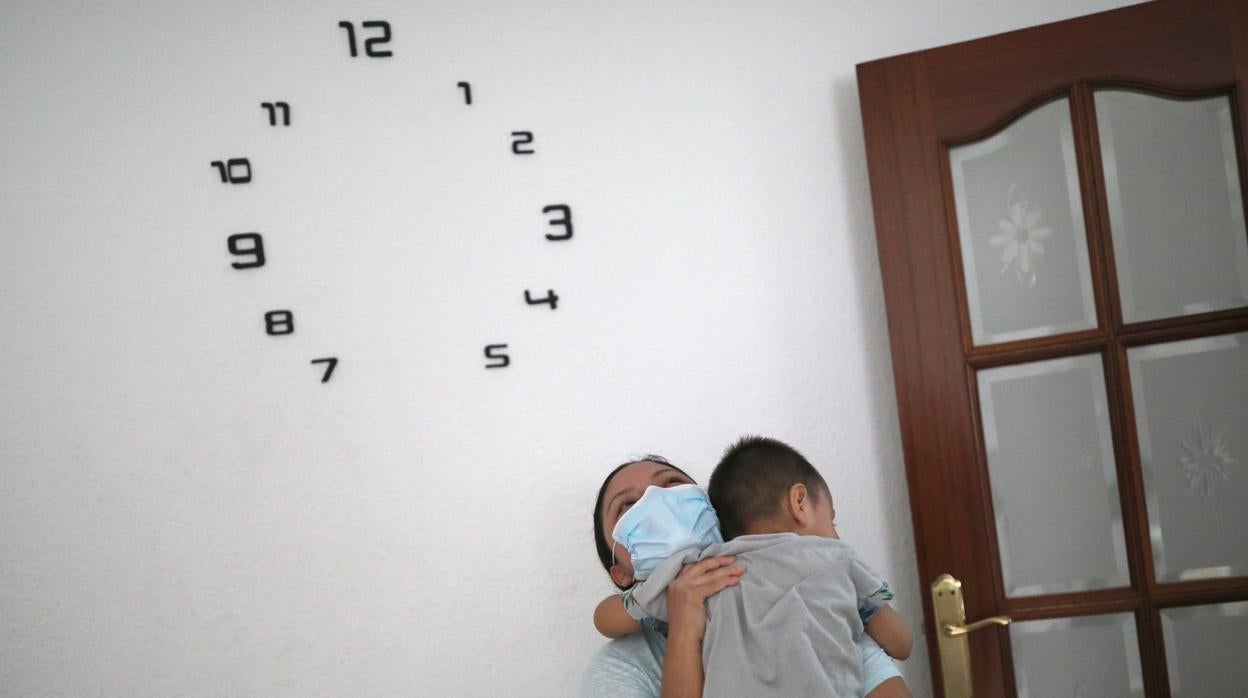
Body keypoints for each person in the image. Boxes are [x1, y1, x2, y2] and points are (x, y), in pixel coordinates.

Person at [582, 453, 910, 697]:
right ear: (621, 573)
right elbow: (605, 618)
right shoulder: (623, 669)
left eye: (672, 483)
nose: (659, 500)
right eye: (627, 506)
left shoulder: (813, 601)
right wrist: (684, 626)